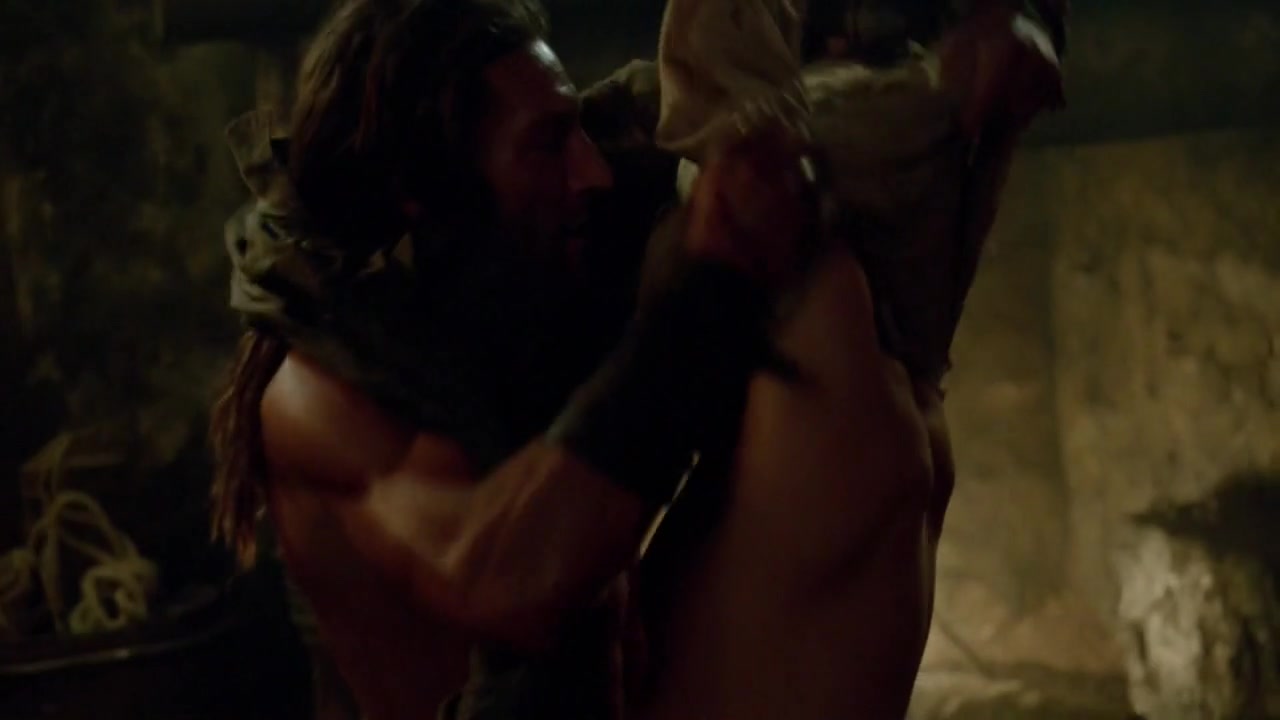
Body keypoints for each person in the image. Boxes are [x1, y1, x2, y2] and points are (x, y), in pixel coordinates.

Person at [208, 1, 813, 719]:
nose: (592, 172)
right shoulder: (317, 396)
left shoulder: (509, 296)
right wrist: (699, 299)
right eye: (549, 145)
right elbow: (503, 583)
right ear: (425, 186)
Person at [621, 1, 1068, 718]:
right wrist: (968, 81)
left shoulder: (849, 395)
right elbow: (749, 145)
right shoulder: (873, 408)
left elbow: (743, 143)